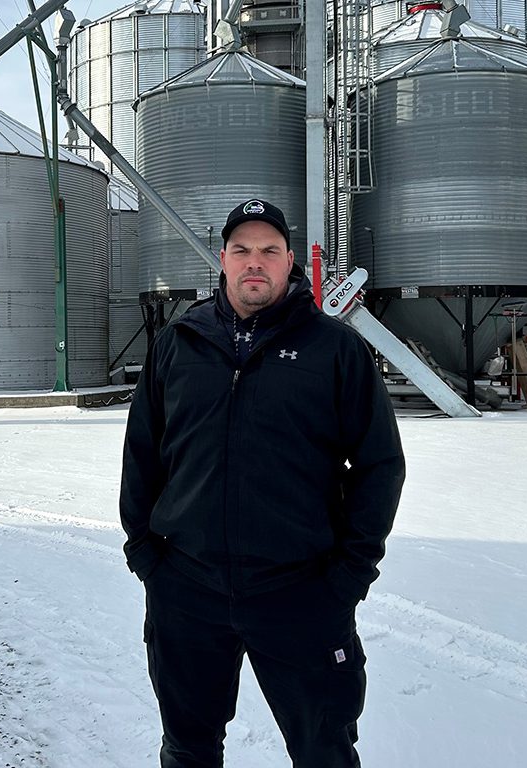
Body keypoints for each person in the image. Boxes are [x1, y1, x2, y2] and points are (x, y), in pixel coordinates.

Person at [119, 198, 406, 767]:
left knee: (324, 751)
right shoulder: (180, 343)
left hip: (300, 591)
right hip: (188, 589)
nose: (256, 262)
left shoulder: (334, 349)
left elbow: (380, 466)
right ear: (222, 259)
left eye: (269, 251)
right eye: (242, 250)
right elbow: (143, 454)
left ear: (289, 261)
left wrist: (347, 577)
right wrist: (148, 556)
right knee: (187, 749)